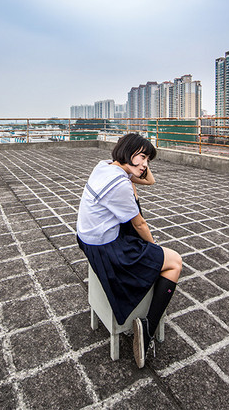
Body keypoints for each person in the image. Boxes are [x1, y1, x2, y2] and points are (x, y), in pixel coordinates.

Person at [76, 133, 182, 368]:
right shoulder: (119, 183)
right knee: (174, 261)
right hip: (106, 250)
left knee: (144, 236)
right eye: (142, 157)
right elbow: (140, 224)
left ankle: (144, 322)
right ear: (128, 151)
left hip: (89, 239)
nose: (145, 164)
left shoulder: (105, 166)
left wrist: (140, 166)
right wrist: (154, 250)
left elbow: (150, 181)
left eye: (148, 160)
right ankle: (147, 331)